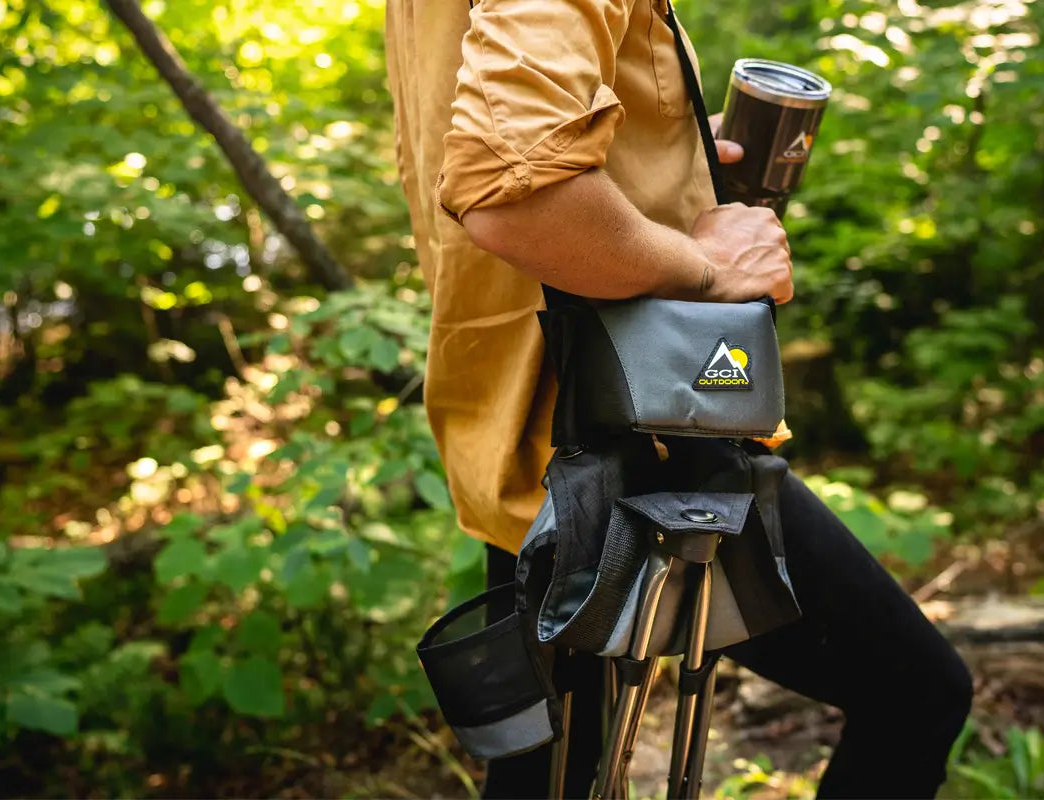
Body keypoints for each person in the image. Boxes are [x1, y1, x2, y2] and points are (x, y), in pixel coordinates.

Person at [382, 0, 974, 794]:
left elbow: (497, 140)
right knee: (913, 694)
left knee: (556, 765)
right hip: (639, 417)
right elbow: (511, 192)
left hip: (523, 421)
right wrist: (708, 270)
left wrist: (679, 143)